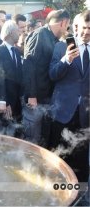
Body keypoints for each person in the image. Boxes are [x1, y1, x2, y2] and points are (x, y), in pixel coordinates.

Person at [48, 10, 90, 183]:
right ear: (75, 27)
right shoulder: (61, 47)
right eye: (84, 28)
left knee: (81, 158)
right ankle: (59, 194)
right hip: (63, 112)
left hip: (85, 115)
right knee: (60, 157)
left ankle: (79, 196)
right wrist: (66, 60)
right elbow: (52, 74)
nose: (87, 32)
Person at [22, 9, 70, 145]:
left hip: (47, 100)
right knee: (32, 141)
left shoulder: (55, 39)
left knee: (43, 140)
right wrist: (31, 95)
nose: (67, 29)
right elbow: (28, 65)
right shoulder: (39, 34)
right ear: (63, 23)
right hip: (35, 100)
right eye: (67, 25)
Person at [0, 20, 23, 122]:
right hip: (6, 105)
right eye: (17, 30)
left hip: (17, 104)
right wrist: (5, 102)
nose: (20, 33)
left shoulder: (16, 51)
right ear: (10, 33)